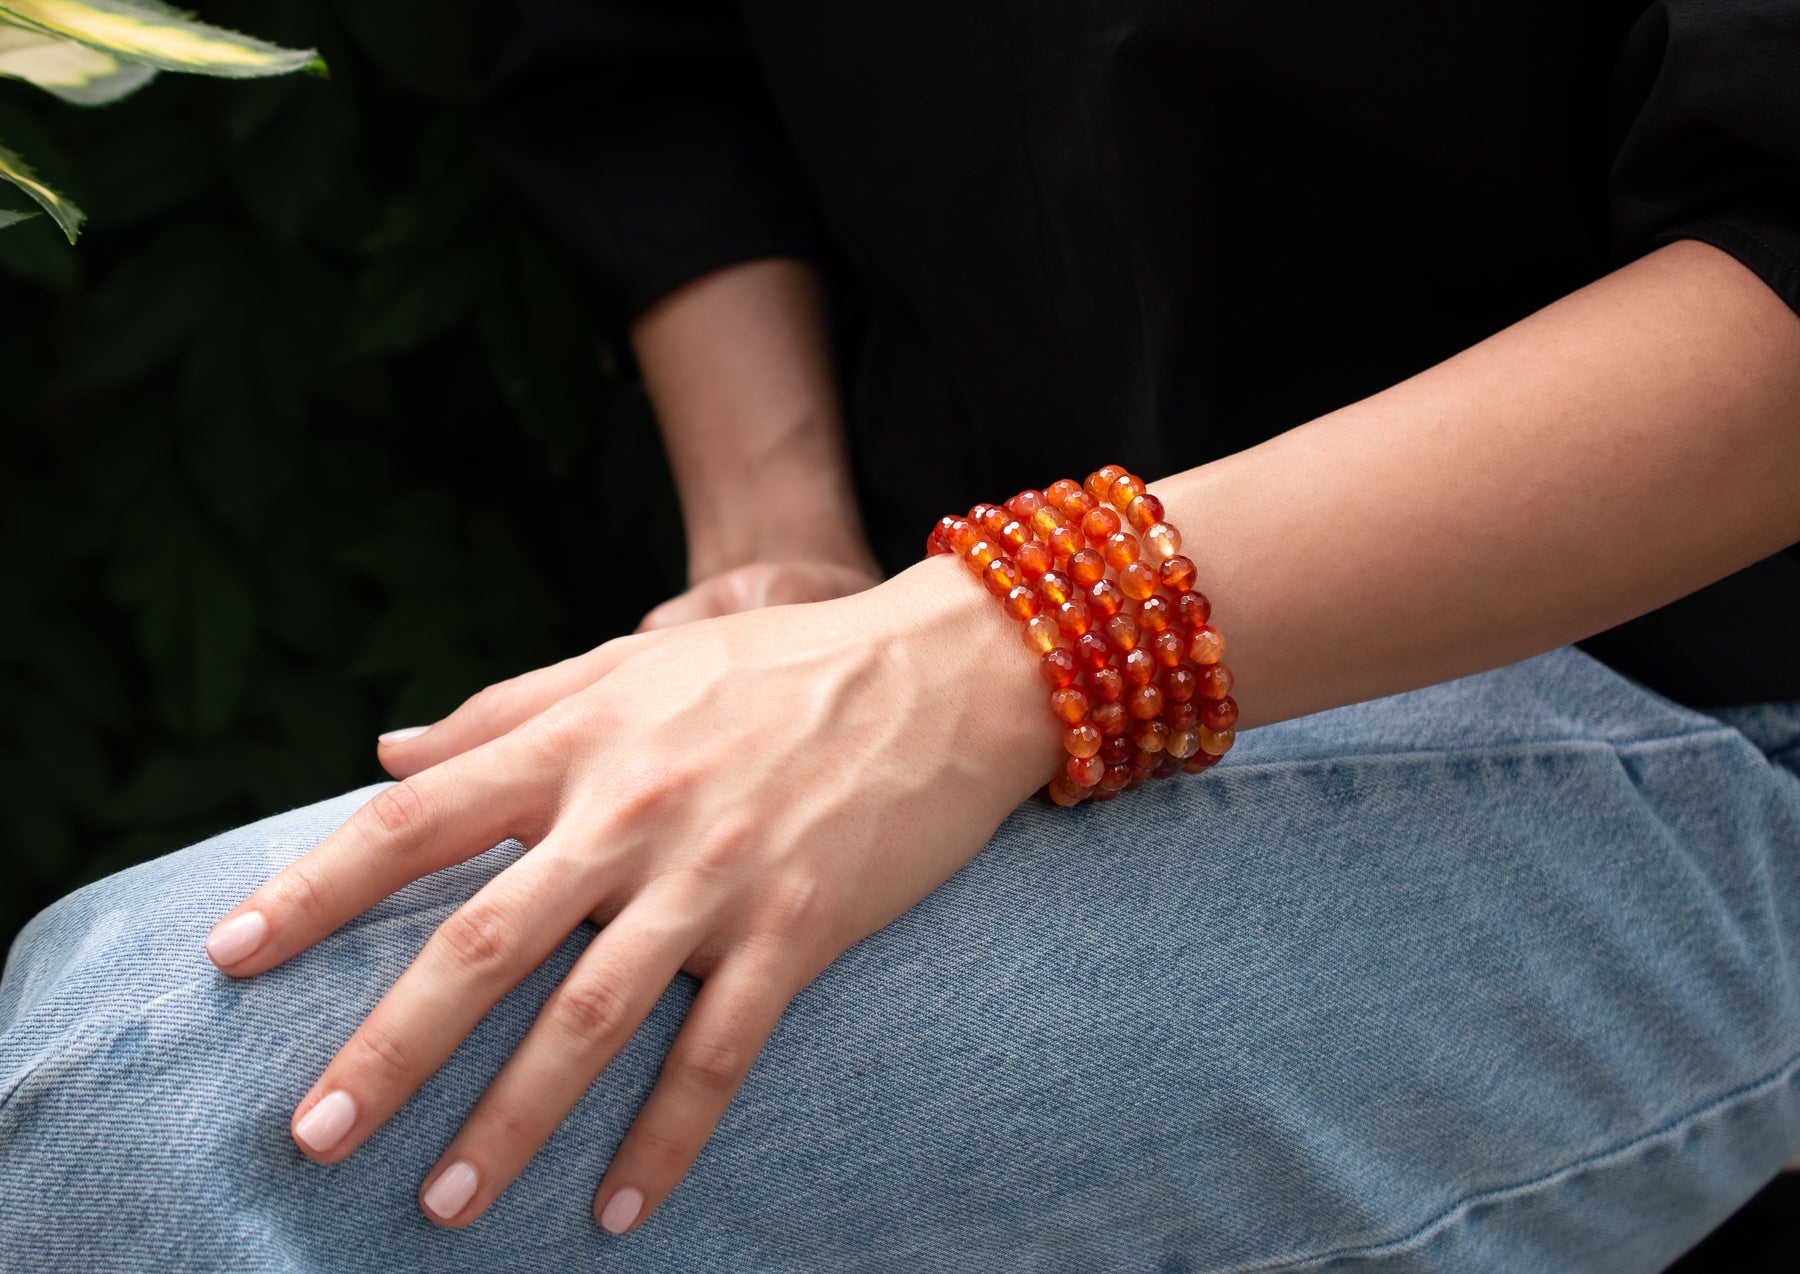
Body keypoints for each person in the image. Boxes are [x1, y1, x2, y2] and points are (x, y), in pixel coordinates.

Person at [3, 1, 1799, 1270]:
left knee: (165, 1137)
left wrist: (1000, 648)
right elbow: (650, 55)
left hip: (1700, 689)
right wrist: (777, 559)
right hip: (955, 616)